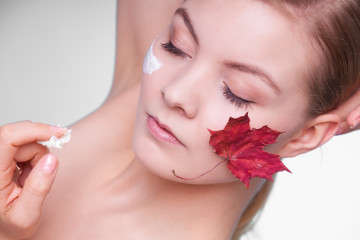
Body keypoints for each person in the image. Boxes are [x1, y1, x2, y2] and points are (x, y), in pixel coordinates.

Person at [0, 0, 359, 240]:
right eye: (177, 45)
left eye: (237, 93)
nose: (174, 93)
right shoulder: (140, 94)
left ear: (308, 135)